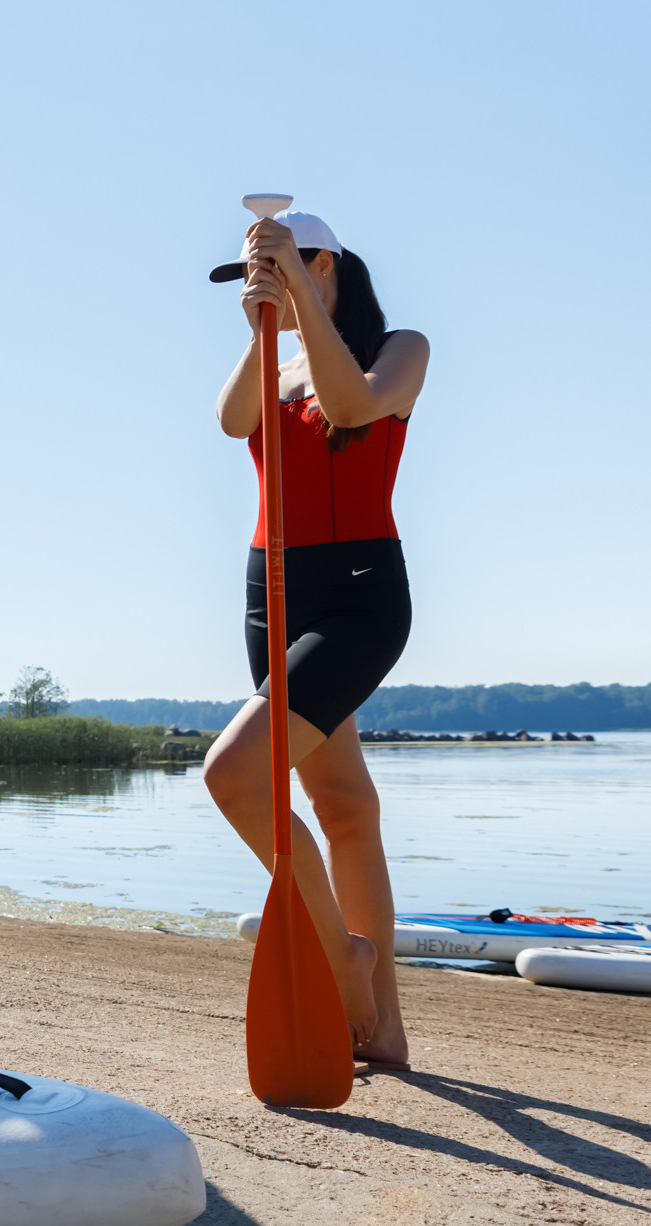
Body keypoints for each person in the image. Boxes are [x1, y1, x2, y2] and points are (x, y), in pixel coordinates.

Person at [201, 210, 429, 1069]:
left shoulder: (399, 347)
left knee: (233, 774)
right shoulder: (276, 359)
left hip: (360, 597)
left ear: (323, 261)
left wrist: (297, 292)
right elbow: (232, 422)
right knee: (343, 806)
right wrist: (265, 323)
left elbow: (354, 406)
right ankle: (387, 1031)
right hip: (270, 596)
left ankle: (345, 958)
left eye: (281, 269)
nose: (263, 287)